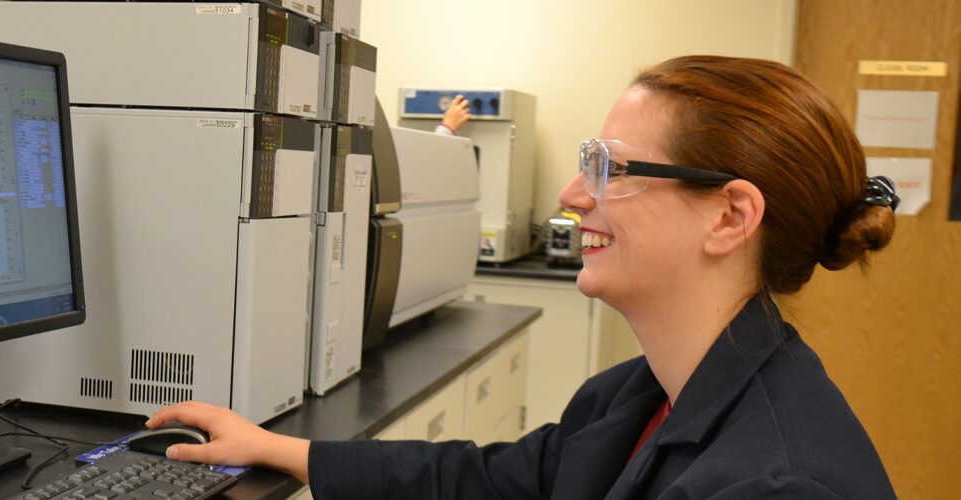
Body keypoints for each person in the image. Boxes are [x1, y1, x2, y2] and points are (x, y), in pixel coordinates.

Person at [147, 55, 900, 499]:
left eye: (608, 169)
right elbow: (495, 480)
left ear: (730, 217)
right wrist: (285, 451)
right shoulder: (637, 396)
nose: (574, 198)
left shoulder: (776, 484)